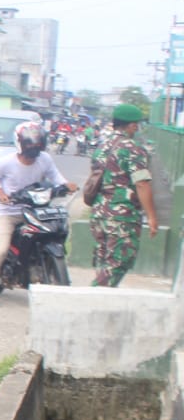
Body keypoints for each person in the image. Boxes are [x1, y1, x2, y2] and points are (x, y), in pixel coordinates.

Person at [0, 122, 74, 306]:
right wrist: (1, 193)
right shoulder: (7, 162)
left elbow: (55, 176)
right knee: (1, 250)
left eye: (37, 143)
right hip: (10, 212)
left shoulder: (45, 159)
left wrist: (66, 185)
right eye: (30, 143)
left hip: (36, 210)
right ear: (20, 143)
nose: (33, 147)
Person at [89, 104, 158, 287]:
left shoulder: (102, 146)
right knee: (119, 262)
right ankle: (89, 299)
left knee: (104, 262)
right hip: (121, 215)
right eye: (137, 125)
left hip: (99, 212)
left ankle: (100, 300)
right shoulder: (133, 148)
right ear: (132, 125)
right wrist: (152, 217)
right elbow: (142, 183)